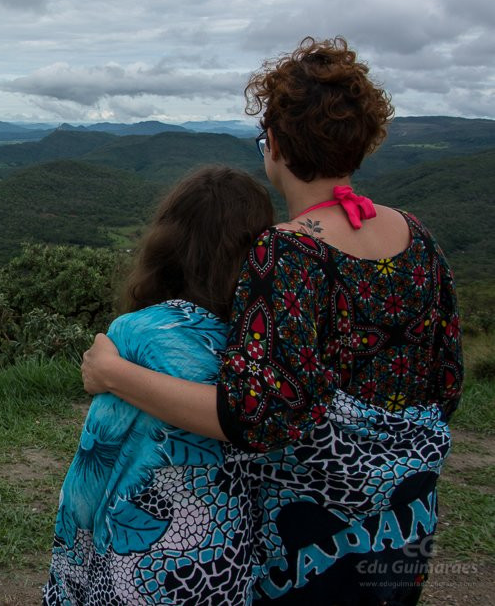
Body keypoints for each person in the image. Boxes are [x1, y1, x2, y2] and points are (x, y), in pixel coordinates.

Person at [80, 36, 464, 605]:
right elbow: (447, 382)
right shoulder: (417, 235)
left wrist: (114, 374)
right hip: (404, 518)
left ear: (277, 145)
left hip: (313, 538)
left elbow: (250, 418)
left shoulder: (286, 253)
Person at [45, 165, 275, 605]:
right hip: (226, 554)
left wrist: (69, 574)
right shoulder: (262, 341)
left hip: (137, 559)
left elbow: (95, 459)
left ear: (169, 243)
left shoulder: (137, 334)